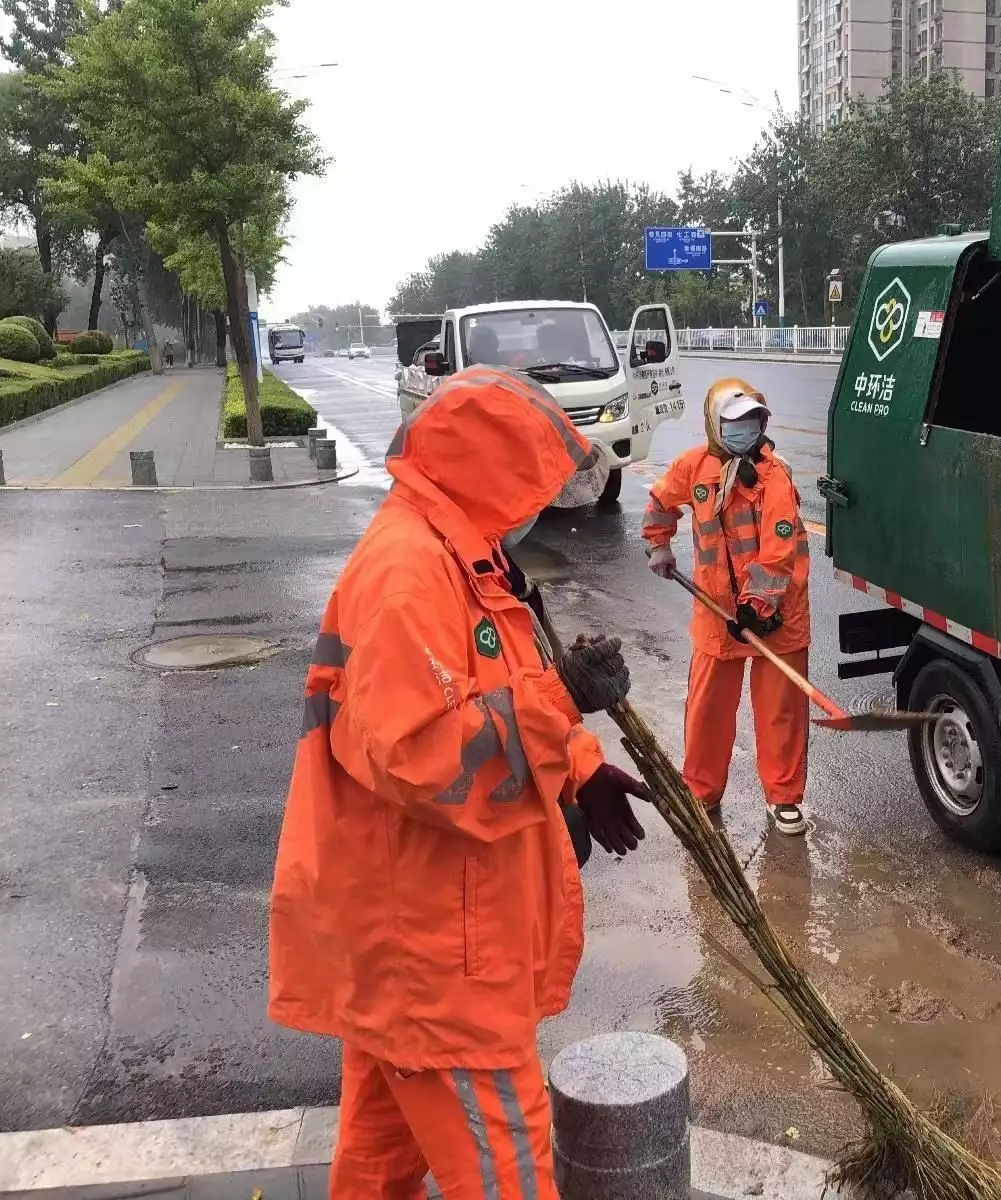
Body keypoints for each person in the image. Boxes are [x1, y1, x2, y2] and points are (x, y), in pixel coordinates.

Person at [268, 364, 650, 1200]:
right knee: (513, 1175)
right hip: (438, 958)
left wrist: (579, 768)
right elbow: (421, 757)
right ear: (489, 473)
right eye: (532, 480)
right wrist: (564, 705)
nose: (539, 502)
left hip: (413, 943)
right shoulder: (410, 574)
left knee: (379, 1164)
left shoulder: (460, 555)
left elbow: (492, 685)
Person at [641, 377, 812, 835]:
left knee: (781, 710)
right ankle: (701, 790)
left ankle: (784, 796)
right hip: (717, 613)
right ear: (715, 424)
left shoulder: (776, 476)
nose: (745, 429)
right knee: (708, 709)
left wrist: (757, 608)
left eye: (753, 421)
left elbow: (780, 551)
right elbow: (660, 501)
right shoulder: (694, 468)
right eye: (735, 422)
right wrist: (658, 543)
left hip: (778, 611)